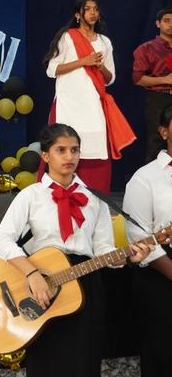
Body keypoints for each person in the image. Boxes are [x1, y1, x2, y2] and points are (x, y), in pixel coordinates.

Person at [0, 123, 152, 376]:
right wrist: (32, 274)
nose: (70, 156)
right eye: (61, 150)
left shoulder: (95, 198)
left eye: (75, 150)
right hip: (43, 285)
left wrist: (127, 257)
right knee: (47, 361)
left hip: (86, 284)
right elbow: (2, 240)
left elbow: (103, 249)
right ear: (46, 156)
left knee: (83, 361)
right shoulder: (31, 196)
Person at [42, 0, 135, 194]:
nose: (93, 13)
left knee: (94, 150)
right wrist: (84, 61)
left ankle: (95, 197)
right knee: (64, 145)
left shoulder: (104, 42)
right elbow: (52, 69)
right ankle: (59, 194)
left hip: (92, 105)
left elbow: (110, 79)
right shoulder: (68, 37)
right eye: (87, 9)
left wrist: (100, 66)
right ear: (78, 14)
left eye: (96, 9)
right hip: (68, 104)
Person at [122, 103, 172, 377]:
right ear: (164, 132)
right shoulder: (145, 178)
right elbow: (140, 238)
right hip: (161, 275)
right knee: (163, 356)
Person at [132, 7, 172, 162]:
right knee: (156, 140)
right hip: (158, 98)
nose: (171, 24)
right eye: (167, 21)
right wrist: (165, 80)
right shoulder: (146, 48)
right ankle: (154, 175)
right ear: (158, 23)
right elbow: (138, 79)